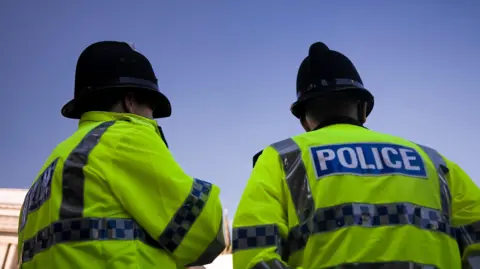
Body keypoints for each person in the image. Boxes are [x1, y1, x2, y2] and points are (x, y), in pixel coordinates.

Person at [232, 42, 480, 269]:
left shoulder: (282, 158)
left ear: (304, 120)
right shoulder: (434, 162)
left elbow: (254, 251)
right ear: (362, 108)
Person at [17, 41, 226, 269]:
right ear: (130, 102)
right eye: (151, 109)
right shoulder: (123, 137)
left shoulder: (53, 165)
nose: (152, 118)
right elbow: (205, 235)